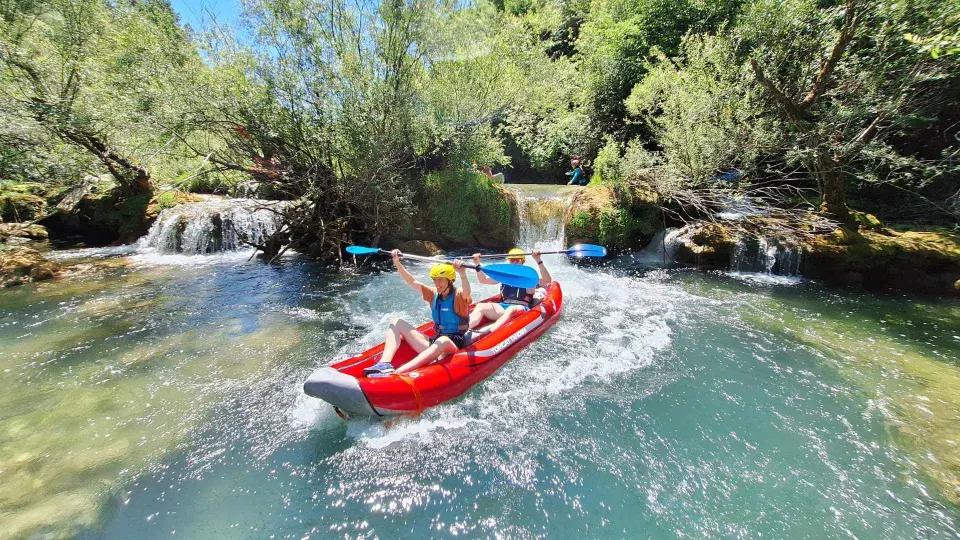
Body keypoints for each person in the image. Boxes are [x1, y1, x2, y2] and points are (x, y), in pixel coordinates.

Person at [363, 251, 472, 377]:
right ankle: (384, 364)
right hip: (434, 343)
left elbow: (467, 293)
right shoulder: (433, 294)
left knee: (443, 340)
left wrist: (463, 274)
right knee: (396, 322)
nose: (437, 284)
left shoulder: (459, 295)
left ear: (450, 280)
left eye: (440, 280)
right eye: (435, 280)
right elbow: (412, 281)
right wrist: (397, 262)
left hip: (452, 345)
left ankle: (399, 373)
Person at [468, 248, 552, 336]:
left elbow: (547, 280)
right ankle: (461, 331)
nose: (514, 262)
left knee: (511, 309)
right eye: (512, 260)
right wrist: (477, 264)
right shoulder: (505, 276)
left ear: (522, 261)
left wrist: (538, 260)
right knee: (481, 306)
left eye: (517, 260)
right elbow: (483, 280)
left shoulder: (528, 278)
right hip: (503, 307)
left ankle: (489, 333)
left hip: (521, 308)